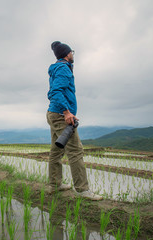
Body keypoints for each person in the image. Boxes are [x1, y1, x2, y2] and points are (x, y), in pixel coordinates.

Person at [46, 41, 103, 200]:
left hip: (53, 113)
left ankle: (55, 185)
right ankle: (83, 190)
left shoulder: (58, 68)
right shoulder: (64, 69)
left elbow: (55, 92)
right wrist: (66, 112)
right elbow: (55, 92)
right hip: (60, 115)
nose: (73, 54)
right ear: (67, 54)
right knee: (75, 151)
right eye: (72, 52)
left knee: (56, 151)